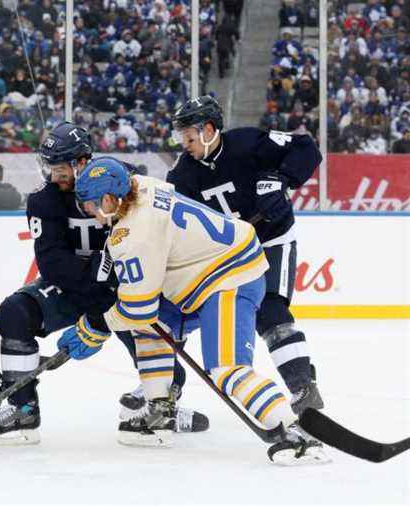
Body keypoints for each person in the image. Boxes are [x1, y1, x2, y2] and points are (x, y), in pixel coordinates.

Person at [59, 158, 327, 464]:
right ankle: (160, 410)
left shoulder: (135, 235)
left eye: (92, 205)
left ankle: (298, 432)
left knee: (227, 370)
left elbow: (137, 308)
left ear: (109, 199)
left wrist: (94, 328)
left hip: (229, 279)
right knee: (150, 328)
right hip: (205, 273)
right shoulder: (143, 186)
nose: (89, 213)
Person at [0, 122, 207, 446]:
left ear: (82, 161)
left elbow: (148, 239)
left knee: (162, 356)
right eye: (49, 167)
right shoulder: (44, 200)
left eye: (59, 167)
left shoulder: (122, 180)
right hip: (76, 288)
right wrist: (97, 274)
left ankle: (162, 407)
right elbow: (52, 263)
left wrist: (109, 277)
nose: (53, 175)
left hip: (126, 288)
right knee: (15, 313)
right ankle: (23, 411)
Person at [165, 95, 324, 417]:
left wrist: (282, 179)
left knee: (271, 309)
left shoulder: (249, 142)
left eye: (190, 137)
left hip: (272, 238)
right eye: (182, 138)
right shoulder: (182, 175)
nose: (185, 144)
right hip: (228, 255)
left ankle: (302, 385)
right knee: (179, 314)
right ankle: (164, 388)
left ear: (209, 129)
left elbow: (306, 147)